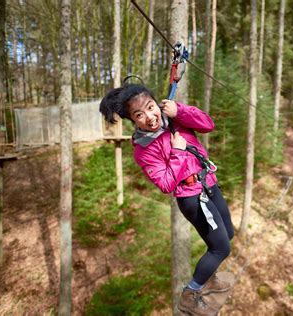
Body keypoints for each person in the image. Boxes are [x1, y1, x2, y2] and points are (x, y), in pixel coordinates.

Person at [99, 84, 234, 315]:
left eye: (151, 108)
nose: (150, 117)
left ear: (156, 103)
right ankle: (190, 296)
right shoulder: (144, 149)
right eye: (139, 115)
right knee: (220, 248)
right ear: (133, 120)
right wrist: (178, 153)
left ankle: (206, 283)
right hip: (192, 197)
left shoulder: (174, 120)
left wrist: (180, 111)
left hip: (209, 184)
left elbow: (208, 124)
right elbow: (165, 184)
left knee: (228, 234)